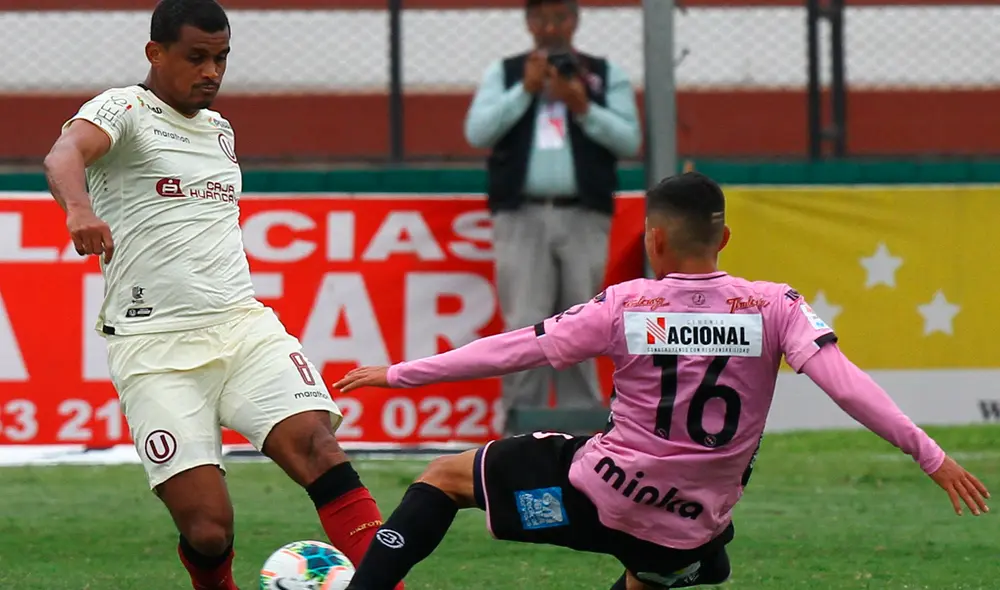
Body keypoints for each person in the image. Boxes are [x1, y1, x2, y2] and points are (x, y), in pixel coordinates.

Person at [333, 172, 991, 590]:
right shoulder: (776, 306)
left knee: (444, 478)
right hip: (692, 521)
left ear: (653, 240)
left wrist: (399, 375)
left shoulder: (627, 306)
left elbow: (516, 350)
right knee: (656, 568)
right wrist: (931, 458)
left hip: (604, 496)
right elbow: (846, 387)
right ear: (724, 236)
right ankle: (689, 562)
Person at [42, 2, 402, 589]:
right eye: (197, 57)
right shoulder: (124, 109)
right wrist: (79, 208)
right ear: (155, 54)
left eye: (221, 58)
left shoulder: (219, 130)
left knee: (320, 451)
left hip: (242, 326)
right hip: (155, 345)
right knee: (208, 529)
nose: (212, 71)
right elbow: (63, 154)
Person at [464, 0, 641, 429]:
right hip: (521, 217)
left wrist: (582, 106)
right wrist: (524, 91)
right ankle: (518, 429)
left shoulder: (602, 75)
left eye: (560, 17)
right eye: (541, 18)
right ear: (528, 23)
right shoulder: (505, 74)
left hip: (582, 216)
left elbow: (629, 140)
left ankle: (583, 430)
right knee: (525, 322)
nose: (550, 27)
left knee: (583, 320)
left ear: (575, 22)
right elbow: (478, 132)